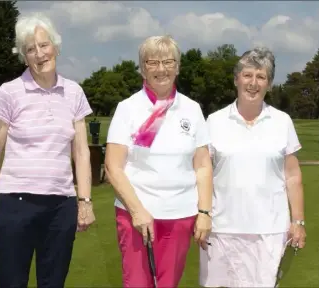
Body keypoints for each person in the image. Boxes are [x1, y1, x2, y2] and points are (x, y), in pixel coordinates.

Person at [0, 13, 95, 288]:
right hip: (14, 203)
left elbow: (81, 153)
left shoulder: (74, 93)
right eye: (30, 49)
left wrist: (85, 201)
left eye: (44, 45)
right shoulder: (9, 92)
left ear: (55, 47)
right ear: (24, 57)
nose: (39, 54)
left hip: (60, 206)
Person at [105, 35, 213, 288]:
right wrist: (138, 211)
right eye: (152, 62)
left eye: (168, 62)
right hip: (136, 216)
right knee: (137, 283)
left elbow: (203, 165)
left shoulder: (192, 109)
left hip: (180, 214)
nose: (161, 69)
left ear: (178, 66)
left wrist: (205, 212)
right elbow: (113, 166)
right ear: (142, 68)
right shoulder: (127, 108)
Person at [200, 47, 306, 287]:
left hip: (269, 231)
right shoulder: (214, 121)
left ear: (269, 84)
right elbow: (203, 174)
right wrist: (203, 215)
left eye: (261, 77)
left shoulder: (282, 121)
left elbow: (292, 175)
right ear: (236, 79)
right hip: (222, 229)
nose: (253, 83)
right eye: (248, 75)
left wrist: (298, 222)